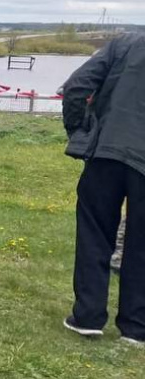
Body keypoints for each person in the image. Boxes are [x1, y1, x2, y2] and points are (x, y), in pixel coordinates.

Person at [60, 32, 145, 346]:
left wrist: (79, 130)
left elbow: (76, 86)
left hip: (107, 150)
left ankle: (88, 315)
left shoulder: (123, 45)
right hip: (115, 150)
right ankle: (135, 326)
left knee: (94, 231)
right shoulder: (124, 44)